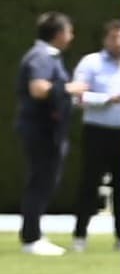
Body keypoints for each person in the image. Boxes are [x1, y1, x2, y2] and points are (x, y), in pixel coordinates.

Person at [68, 21, 120, 251]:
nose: (119, 43)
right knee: (89, 184)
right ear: (105, 39)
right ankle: (80, 235)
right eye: (114, 38)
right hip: (97, 132)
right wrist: (105, 99)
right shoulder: (91, 63)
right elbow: (78, 97)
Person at [18, 13, 73, 252]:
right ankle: (31, 238)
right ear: (59, 33)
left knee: (44, 181)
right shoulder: (42, 56)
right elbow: (38, 89)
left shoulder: (49, 56)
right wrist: (71, 88)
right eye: (69, 31)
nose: (72, 36)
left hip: (49, 130)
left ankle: (34, 233)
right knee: (40, 181)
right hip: (42, 130)